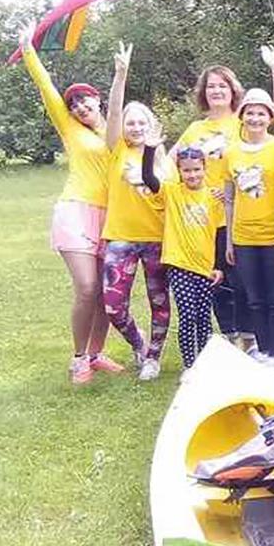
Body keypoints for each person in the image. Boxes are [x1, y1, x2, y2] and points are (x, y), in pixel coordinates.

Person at [18, 23, 117, 385]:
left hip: (111, 218)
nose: (79, 107)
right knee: (87, 288)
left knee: (106, 294)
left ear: (98, 100)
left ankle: (96, 354)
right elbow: (47, 89)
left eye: (84, 100)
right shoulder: (71, 129)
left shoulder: (116, 129)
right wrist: (28, 48)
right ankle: (78, 359)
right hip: (75, 212)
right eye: (73, 104)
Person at [175, 49, 274, 349]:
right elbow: (173, 163)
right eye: (211, 86)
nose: (216, 91)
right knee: (216, 281)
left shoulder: (243, 122)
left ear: (232, 90)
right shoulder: (195, 129)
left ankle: (252, 339)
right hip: (203, 219)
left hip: (238, 215)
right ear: (203, 92)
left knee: (241, 282)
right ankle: (229, 337)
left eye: (222, 85)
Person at [103, 43, 171, 381]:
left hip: (157, 239)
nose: (136, 127)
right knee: (113, 306)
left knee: (160, 302)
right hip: (121, 238)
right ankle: (138, 343)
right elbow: (114, 114)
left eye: (142, 122)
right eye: (131, 123)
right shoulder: (117, 149)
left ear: (152, 125)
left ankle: (153, 358)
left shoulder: (163, 159)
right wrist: (121, 74)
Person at [143, 143, 225, 374]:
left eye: (197, 169)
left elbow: (220, 232)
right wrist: (150, 148)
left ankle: (204, 364)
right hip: (179, 265)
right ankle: (190, 365)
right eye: (186, 170)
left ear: (205, 168)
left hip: (206, 268)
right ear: (179, 171)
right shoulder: (172, 192)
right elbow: (148, 178)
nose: (192, 175)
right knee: (188, 316)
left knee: (204, 317)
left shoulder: (213, 196)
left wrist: (219, 266)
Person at [224, 88, 274, 369]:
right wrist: (229, 240)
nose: (255, 118)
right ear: (241, 116)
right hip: (243, 238)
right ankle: (262, 350)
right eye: (250, 112)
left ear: (270, 117)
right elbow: (229, 199)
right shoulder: (231, 152)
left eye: (261, 113)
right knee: (254, 299)